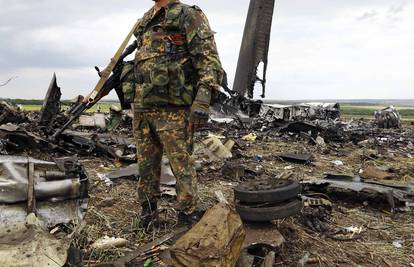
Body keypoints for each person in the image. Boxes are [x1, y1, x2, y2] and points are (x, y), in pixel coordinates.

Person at [131, 0, 223, 228]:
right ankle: (148, 214)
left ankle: (186, 215)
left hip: (174, 108)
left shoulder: (188, 15)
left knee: (181, 164)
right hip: (143, 106)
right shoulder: (146, 19)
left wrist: (202, 100)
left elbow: (209, 61)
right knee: (145, 165)